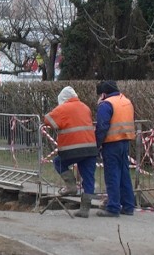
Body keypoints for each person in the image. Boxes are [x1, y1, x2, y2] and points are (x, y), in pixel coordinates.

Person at [43, 86, 98, 218]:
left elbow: (48, 120)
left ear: (63, 99)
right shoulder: (85, 107)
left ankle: (71, 185)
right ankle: (85, 209)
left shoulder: (63, 108)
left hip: (72, 148)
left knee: (58, 162)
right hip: (90, 148)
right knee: (88, 177)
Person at [95, 80, 136, 217]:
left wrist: (97, 144)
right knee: (124, 174)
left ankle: (113, 207)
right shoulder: (125, 101)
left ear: (103, 94)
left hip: (111, 143)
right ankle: (129, 206)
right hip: (125, 141)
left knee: (112, 175)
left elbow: (102, 126)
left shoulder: (106, 104)